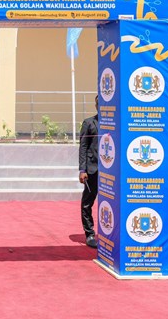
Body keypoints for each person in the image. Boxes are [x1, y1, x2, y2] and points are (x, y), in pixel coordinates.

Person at [79, 95, 99, 248]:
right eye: (99, 103)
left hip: (111, 172)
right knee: (87, 203)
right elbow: (83, 147)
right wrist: (82, 169)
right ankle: (90, 234)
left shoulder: (115, 123)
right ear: (96, 105)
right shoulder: (89, 123)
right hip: (93, 170)